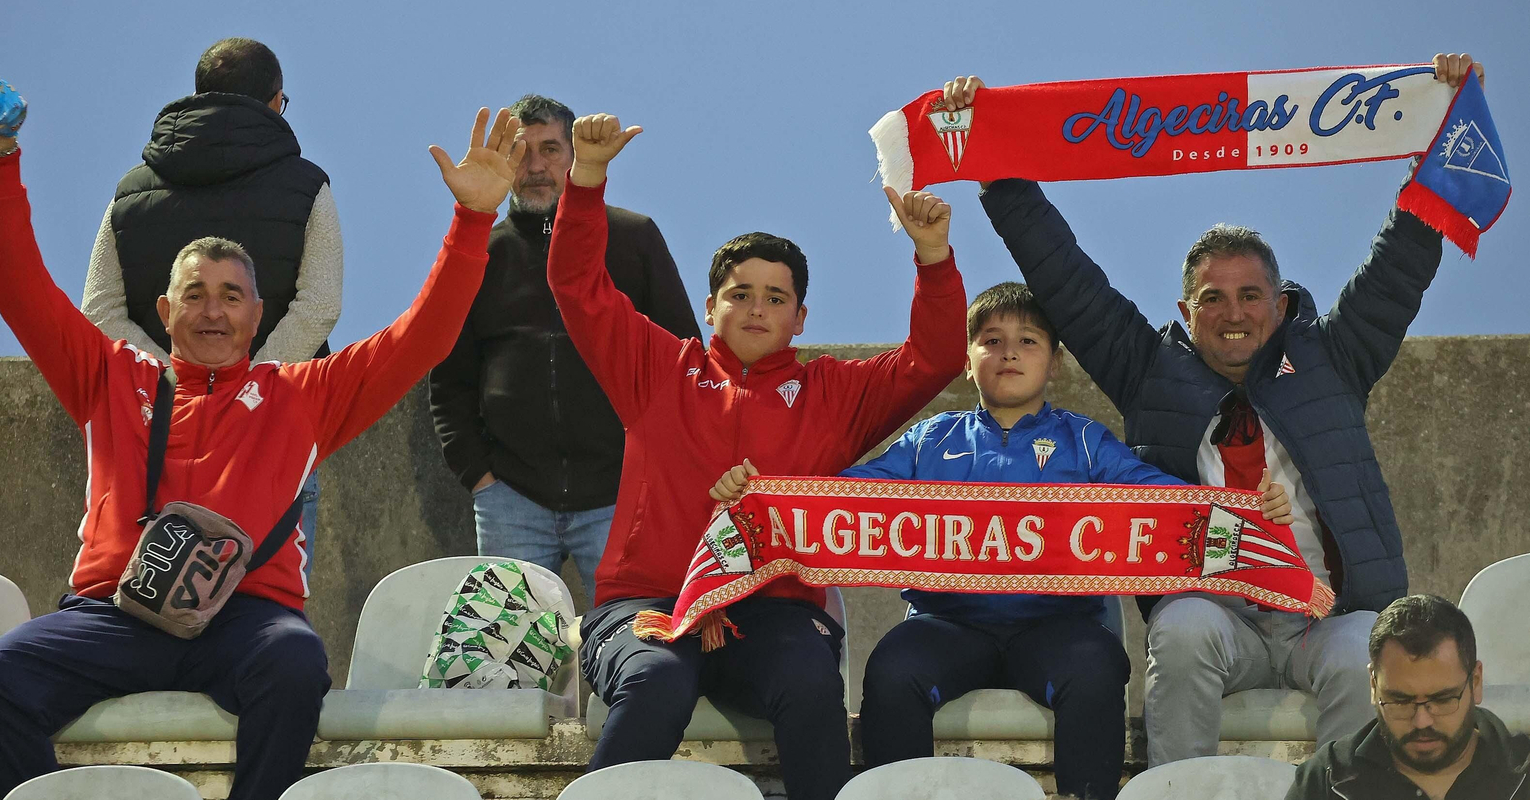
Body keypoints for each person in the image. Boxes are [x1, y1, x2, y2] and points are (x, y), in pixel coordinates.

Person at [0, 103, 523, 800]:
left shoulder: (300, 395)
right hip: (113, 614)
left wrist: (471, 223)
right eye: (195, 294)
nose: (213, 311)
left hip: (245, 619)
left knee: (294, 663)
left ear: (259, 315)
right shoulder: (109, 377)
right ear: (164, 312)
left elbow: (421, 340)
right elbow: (20, 292)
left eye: (232, 296)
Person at [949, 52, 1483, 767]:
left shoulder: (1333, 357)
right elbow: (1066, 278)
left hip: (1323, 615)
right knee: (1182, 625)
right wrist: (996, 167)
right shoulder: (1148, 370)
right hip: (1218, 616)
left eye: (1250, 296)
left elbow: (1399, 267)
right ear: (1185, 311)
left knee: (1371, 648)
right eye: (1213, 298)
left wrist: (1445, 130)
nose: (1233, 314)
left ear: (1281, 304)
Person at [710, 282, 1291, 800]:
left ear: (1055, 362)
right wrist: (764, 499)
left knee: (1097, 666)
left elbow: (1160, 498)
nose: (1009, 352)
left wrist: (1242, 509)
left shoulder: (1084, 441)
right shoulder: (930, 440)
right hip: (946, 624)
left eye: (1029, 340)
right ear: (968, 362)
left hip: (1059, 627)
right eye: (991, 340)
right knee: (891, 670)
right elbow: (844, 499)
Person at [547, 113, 968, 800]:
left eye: (776, 298)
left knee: (809, 683)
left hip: (774, 611)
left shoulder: (833, 392)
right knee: (656, 681)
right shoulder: (657, 367)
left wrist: (932, 257)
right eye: (739, 294)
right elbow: (577, 288)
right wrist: (586, 178)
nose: (755, 308)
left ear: (800, 318)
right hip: (649, 604)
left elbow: (935, 358)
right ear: (710, 306)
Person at [81, 37, 342, 576]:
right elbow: (320, 305)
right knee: (267, 596)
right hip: (272, 425)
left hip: (156, 425)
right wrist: (253, 383)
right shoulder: (307, 185)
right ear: (274, 105)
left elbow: (99, 309)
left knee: (150, 603)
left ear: (197, 96)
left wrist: (170, 376)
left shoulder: (130, 192)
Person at [429, 94, 698, 603]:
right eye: (521, 152)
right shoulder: (480, 252)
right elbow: (448, 377)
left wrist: (656, 471)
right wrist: (479, 475)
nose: (535, 166)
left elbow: (683, 359)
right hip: (510, 497)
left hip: (621, 493)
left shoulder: (634, 238)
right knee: (506, 660)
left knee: (633, 651)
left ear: (576, 157)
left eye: (551, 149)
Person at [1286, 594, 1528, 800]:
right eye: (1400, 701)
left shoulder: (1523, 778)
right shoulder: (1324, 783)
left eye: (1443, 700)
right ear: (1373, 685)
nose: (1422, 721)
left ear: (1475, 682)